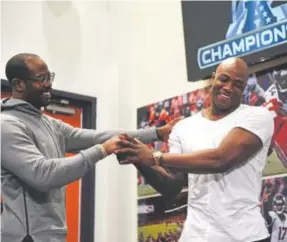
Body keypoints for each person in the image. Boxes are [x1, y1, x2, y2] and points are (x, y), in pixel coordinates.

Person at [0, 53, 179, 242]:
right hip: (26, 238)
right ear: (19, 85)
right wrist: (102, 150)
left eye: (49, 77)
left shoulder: (49, 123)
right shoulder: (7, 125)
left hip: (52, 235)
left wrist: (158, 133)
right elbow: (42, 174)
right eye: (41, 79)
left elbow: (97, 137)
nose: (49, 84)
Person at [116, 57, 275, 242]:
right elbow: (172, 187)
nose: (229, 87)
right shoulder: (184, 127)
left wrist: (154, 157)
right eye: (224, 79)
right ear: (213, 78)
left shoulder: (258, 116)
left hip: (245, 236)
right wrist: (139, 159)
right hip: (195, 236)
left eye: (238, 84)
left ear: (245, 87)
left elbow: (220, 160)